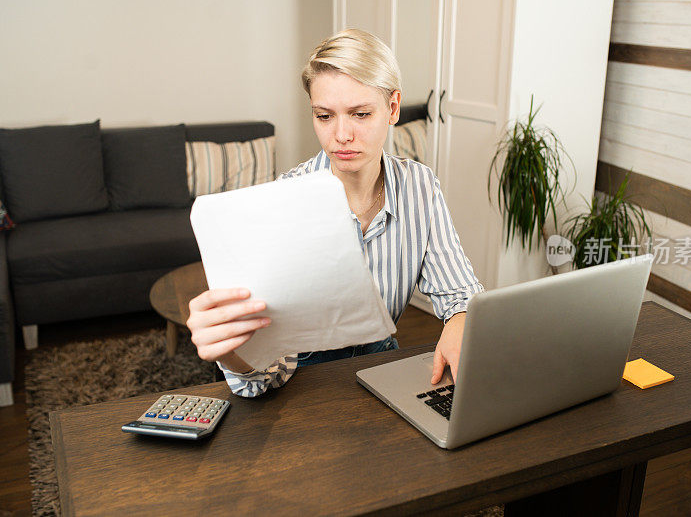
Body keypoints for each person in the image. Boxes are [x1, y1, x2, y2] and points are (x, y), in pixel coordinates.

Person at [186, 29, 483, 398]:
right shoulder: (285, 203)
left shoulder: (419, 186)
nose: (341, 135)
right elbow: (262, 377)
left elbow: (461, 294)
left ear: (392, 109)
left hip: (381, 363)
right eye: (325, 116)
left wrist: (460, 319)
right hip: (301, 382)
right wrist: (232, 355)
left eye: (360, 114)